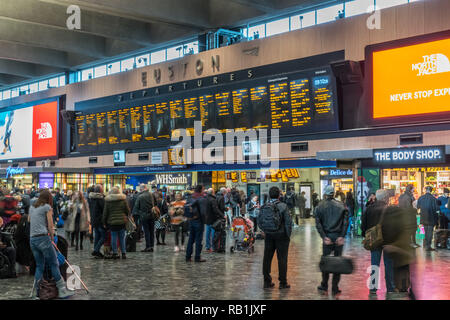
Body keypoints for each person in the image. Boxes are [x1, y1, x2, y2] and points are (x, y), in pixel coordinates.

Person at [28, 190, 73, 299]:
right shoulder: (47, 207)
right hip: (43, 238)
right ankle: (62, 291)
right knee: (54, 263)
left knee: (40, 265)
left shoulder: (32, 207)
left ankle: (36, 292)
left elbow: (29, 220)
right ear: (49, 199)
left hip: (32, 239)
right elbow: (50, 224)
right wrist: (52, 238)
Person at [315, 185, 349, 296]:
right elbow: (345, 222)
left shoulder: (320, 206)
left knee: (326, 262)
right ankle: (335, 287)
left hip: (327, 238)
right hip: (338, 237)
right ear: (334, 194)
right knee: (337, 263)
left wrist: (324, 236)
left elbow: (318, 223)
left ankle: (324, 285)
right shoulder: (342, 206)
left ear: (325, 194)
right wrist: (342, 236)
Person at [361, 189, 395, 296]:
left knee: (374, 264)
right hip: (388, 241)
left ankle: (373, 288)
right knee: (389, 264)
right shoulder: (390, 209)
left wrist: (366, 236)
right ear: (386, 198)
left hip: (374, 240)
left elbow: (363, 225)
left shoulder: (369, 209)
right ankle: (390, 287)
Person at [260, 187, 292, 289]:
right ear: (279, 195)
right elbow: (288, 223)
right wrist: (288, 235)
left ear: (269, 195)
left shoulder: (265, 206)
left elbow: (260, 220)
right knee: (282, 259)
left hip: (269, 235)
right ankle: (283, 283)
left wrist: (264, 231)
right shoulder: (283, 206)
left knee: (267, 258)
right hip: (281, 236)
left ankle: (267, 282)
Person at [102, 187, 130, 259]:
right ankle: (123, 253)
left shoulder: (108, 201)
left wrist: (104, 222)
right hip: (122, 222)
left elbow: (105, 213)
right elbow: (128, 211)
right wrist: (126, 216)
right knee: (122, 238)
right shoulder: (123, 200)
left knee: (114, 238)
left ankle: (115, 253)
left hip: (112, 222)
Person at [186, 185, 207, 262]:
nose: (204, 191)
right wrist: (204, 221)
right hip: (199, 221)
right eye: (203, 189)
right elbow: (203, 212)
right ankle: (197, 257)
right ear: (201, 190)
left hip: (191, 220)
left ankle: (188, 256)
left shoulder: (191, 197)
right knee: (198, 240)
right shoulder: (201, 198)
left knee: (191, 239)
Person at [134, 184, 157, 253]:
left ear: (141, 189)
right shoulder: (152, 195)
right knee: (152, 231)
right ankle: (152, 246)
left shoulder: (140, 196)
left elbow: (136, 207)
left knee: (146, 231)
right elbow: (155, 204)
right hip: (152, 215)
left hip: (144, 216)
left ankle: (148, 246)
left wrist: (140, 213)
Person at [417, 186, 439, 251]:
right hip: (431, 217)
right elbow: (436, 209)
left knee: (425, 232)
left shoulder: (421, 198)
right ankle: (428, 246)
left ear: (425, 190)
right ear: (431, 191)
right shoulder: (434, 199)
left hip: (423, 218)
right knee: (430, 232)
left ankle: (425, 245)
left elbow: (418, 207)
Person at [89, 185, 106, 258]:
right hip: (100, 220)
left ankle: (97, 252)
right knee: (103, 237)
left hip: (94, 220)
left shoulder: (91, 199)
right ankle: (96, 250)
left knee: (97, 236)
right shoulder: (100, 199)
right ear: (100, 191)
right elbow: (104, 210)